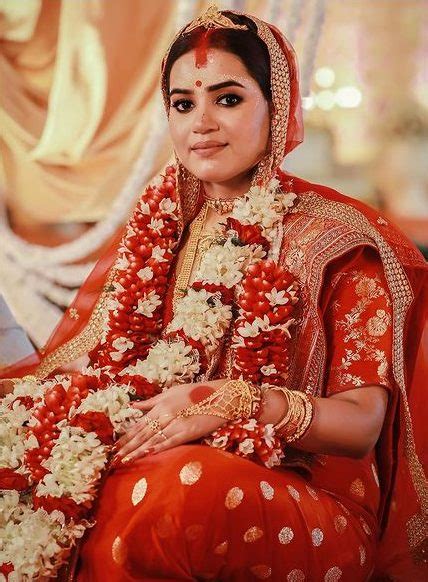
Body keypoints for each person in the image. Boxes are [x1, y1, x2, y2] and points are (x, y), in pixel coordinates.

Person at [1, 7, 426, 581]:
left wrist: (234, 401)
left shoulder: (341, 241)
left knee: (178, 491)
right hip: (152, 453)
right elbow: (106, 360)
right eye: (182, 104)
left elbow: (361, 425)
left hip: (296, 495)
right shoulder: (164, 224)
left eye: (227, 99)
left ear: (278, 106)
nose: (200, 122)